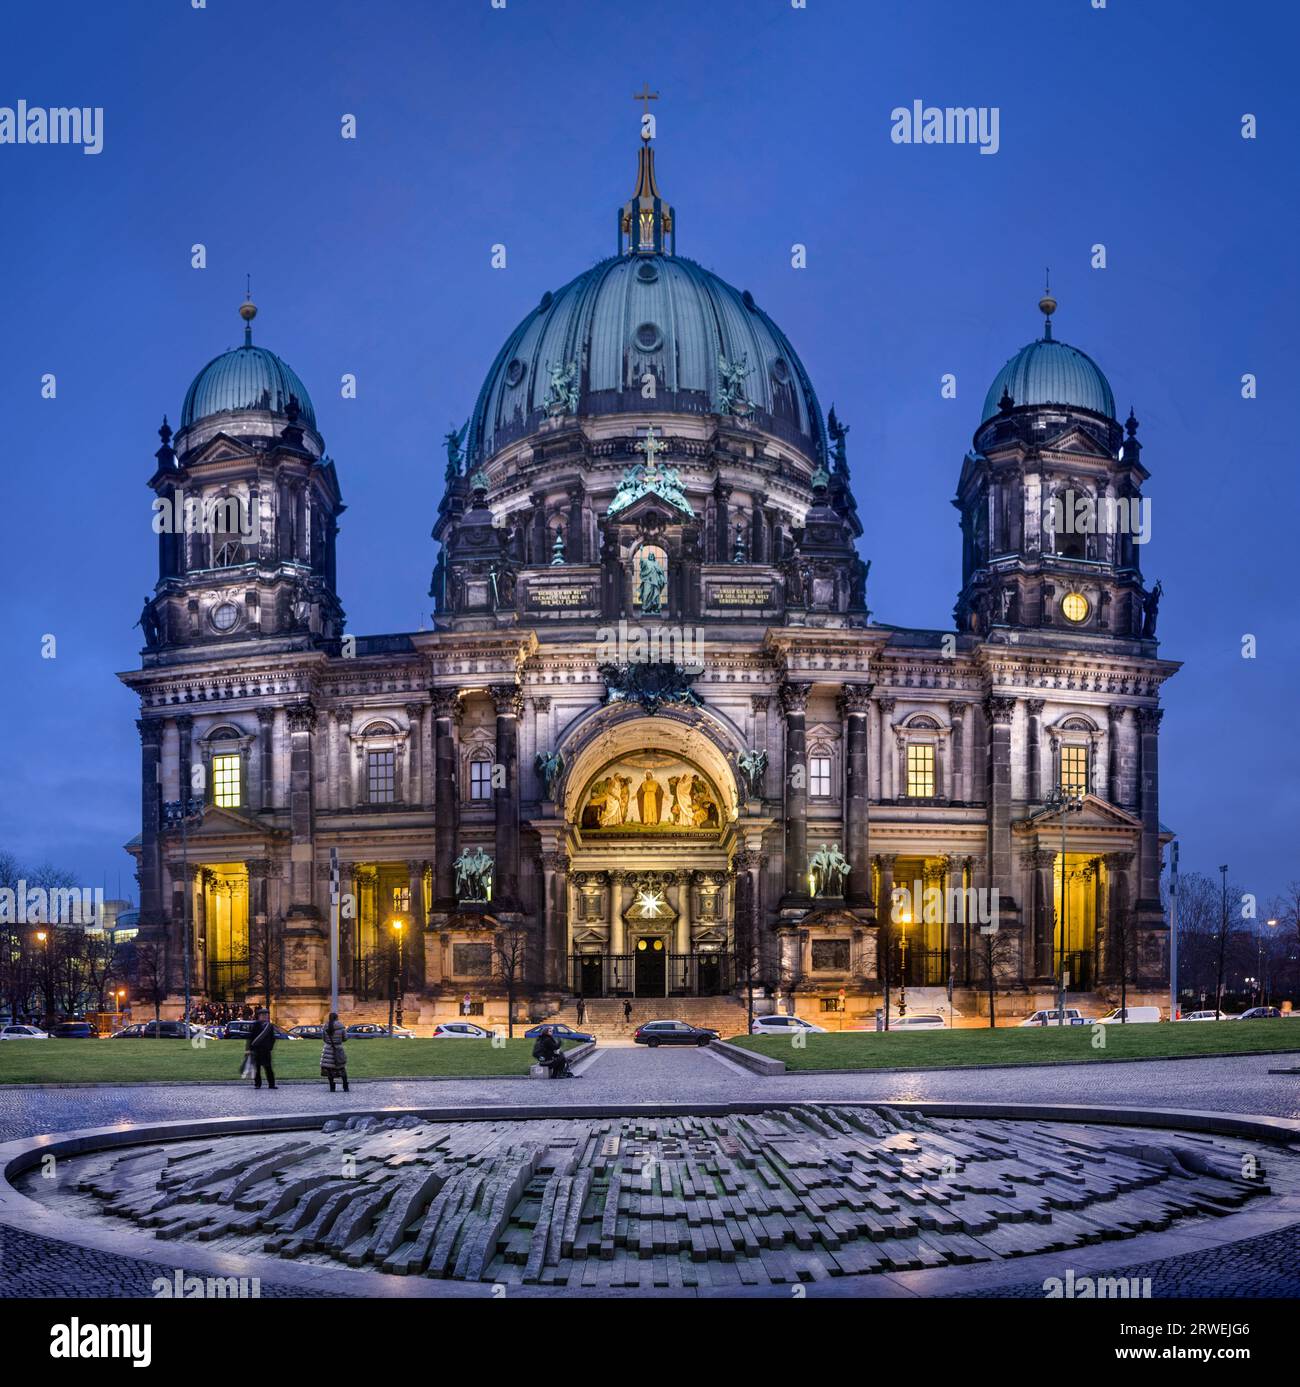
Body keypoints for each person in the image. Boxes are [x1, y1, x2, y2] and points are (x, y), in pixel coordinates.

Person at [246, 1008, 276, 1090]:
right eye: (263, 1015)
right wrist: (248, 1049)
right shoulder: (255, 1025)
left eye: (266, 1015)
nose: (265, 1016)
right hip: (256, 1050)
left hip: (266, 1050)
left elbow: (272, 1038)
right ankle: (257, 1084)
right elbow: (251, 1038)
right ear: (259, 1016)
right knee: (257, 1068)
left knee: (268, 1068)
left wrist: (270, 1047)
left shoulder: (269, 1026)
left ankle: (271, 1084)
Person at [320, 1012, 349, 1093]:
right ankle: (345, 1087)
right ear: (337, 1018)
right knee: (342, 1068)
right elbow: (345, 1039)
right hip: (338, 1049)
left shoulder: (325, 1027)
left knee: (329, 1069)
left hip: (328, 1049)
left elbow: (324, 1039)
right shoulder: (341, 1027)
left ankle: (332, 1087)